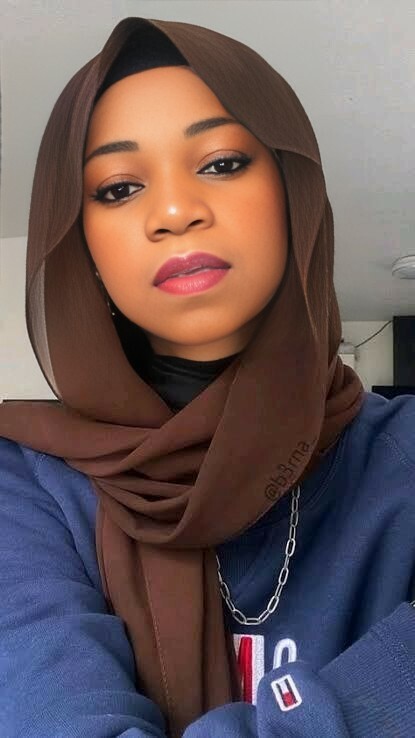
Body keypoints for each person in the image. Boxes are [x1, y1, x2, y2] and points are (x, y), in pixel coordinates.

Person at [0, 15, 414, 738]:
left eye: (221, 163)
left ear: (293, 196)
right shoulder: (26, 484)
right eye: (119, 187)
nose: (173, 212)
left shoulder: (400, 460)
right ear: (84, 247)